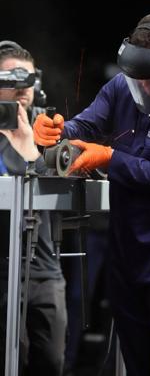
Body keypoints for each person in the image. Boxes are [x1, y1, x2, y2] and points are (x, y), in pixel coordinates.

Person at [32, 10, 150, 375]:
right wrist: (56, 130)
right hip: (126, 254)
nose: (143, 88)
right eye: (138, 78)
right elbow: (87, 124)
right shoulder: (123, 86)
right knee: (137, 365)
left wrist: (111, 159)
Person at [0, 41, 67, 375]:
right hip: (1, 267)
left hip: (43, 267)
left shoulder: (50, 130)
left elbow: (60, 188)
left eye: (27, 79)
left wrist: (30, 149)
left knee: (50, 361)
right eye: (10, 80)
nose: (21, 89)